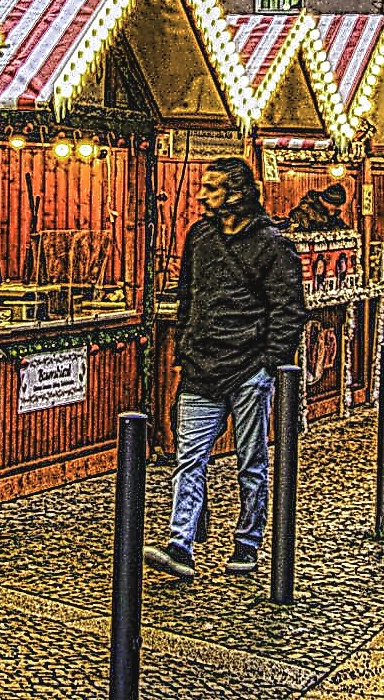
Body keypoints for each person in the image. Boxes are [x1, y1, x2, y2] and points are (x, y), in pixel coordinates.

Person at [144, 157, 306, 580]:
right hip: (201, 366)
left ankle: (247, 542)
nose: (201, 195)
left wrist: (271, 363)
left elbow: (289, 310)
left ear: (237, 192)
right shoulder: (199, 237)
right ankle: (181, 544)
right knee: (188, 460)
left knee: (251, 462)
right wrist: (186, 344)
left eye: (212, 188)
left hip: (249, 367)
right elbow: (187, 294)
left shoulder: (272, 244)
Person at [287, 182, 351, 232]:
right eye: (336, 205)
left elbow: (345, 231)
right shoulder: (301, 213)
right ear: (327, 201)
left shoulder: (332, 215)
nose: (338, 208)